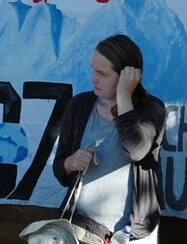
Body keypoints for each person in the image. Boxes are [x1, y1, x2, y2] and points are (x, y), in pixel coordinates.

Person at [53, 34, 166, 243]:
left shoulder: (152, 109)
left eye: (102, 73)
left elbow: (137, 150)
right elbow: (59, 168)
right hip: (79, 227)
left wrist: (124, 98)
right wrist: (70, 163)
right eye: (93, 69)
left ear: (127, 76)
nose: (93, 78)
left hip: (132, 234)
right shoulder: (79, 106)